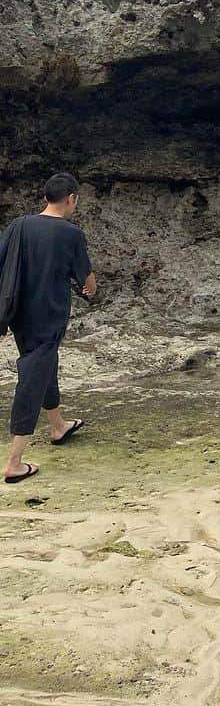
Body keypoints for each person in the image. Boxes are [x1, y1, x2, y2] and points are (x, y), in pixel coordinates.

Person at [1, 173, 96, 484]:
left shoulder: (19, 225)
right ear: (71, 199)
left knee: (44, 364)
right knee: (32, 379)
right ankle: (14, 462)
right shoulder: (71, 234)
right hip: (49, 316)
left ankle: (58, 426)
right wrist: (88, 290)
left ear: (45, 198)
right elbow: (87, 282)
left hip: (17, 314)